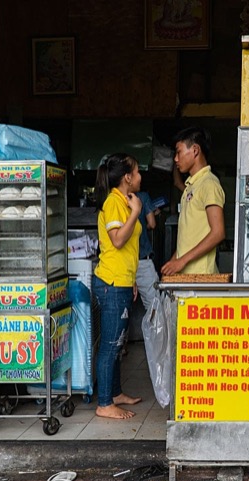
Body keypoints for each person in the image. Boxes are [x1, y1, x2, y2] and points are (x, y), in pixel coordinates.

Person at [93, 153, 143, 420]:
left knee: (118, 342)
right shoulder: (114, 202)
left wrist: (132, 279)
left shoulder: (124, 202)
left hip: (122, 280)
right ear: (127, 177)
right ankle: (104, 404)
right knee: (111, 345)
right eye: (136, 172)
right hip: (111, 282)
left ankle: (115, 394)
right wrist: (136, 213)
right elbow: (118, 240)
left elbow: (129, 249)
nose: (139, 177)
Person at [161, 126, 226, 276]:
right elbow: (188, 239)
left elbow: (218, 233)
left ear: (195, 150)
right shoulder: (191, 186)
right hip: (187, 276)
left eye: (179, 152)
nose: (175, 159)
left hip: (201, 276)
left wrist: (182, 261)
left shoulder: (209, 184)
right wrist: (173, 263)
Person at [135, 189, 160, 312]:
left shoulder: (113, 199)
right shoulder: (143, 197)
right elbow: (152, 224)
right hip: (142, 258)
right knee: (154, 308)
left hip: (120, 264)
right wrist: (142, 227)